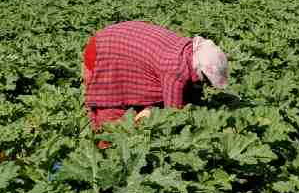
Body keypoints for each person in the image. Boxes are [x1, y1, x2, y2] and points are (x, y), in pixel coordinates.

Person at [83, 21, 230, 128]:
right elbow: (172, 113)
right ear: (200, 70)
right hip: (103, 52)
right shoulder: (175, 69)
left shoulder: (188, 51)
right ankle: (105, 150)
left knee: (146, 110)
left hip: (115, 41)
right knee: (112, 117)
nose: (205, 85)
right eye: (206, 80)